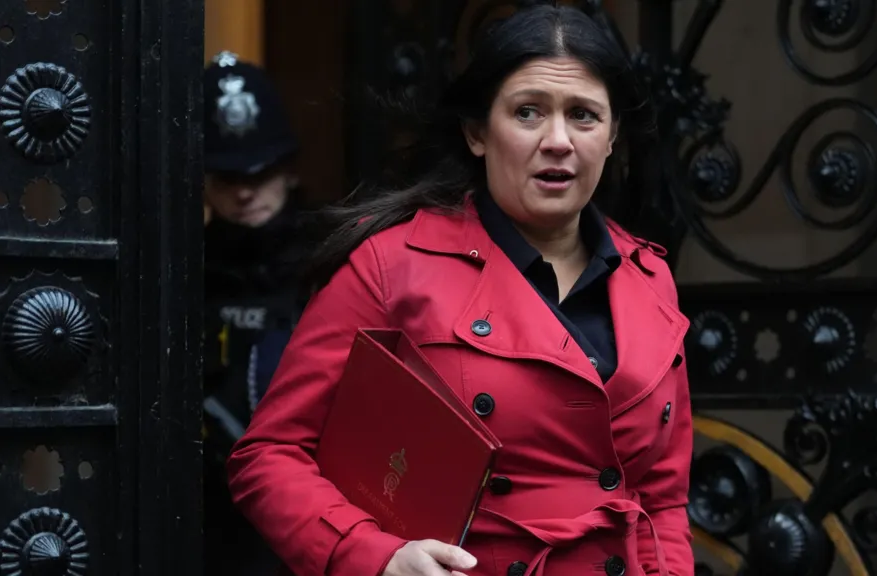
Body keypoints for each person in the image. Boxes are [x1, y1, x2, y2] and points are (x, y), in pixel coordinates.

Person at [226, 5, 695, 576]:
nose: (558, 140)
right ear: (477, 132)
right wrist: (376, 558)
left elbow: (663, 499)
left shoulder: (650, 280)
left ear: (613, 133)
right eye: (528, 112)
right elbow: (269, 456)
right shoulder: (392, 265)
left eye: (584, 116)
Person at [201, 50, 307, 575]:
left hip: (308, 507)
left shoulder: (335, 262)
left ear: (287, 171)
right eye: (225, 177)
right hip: (206, 515)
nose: (244, 192)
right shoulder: (181, 270)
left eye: (260, 173)